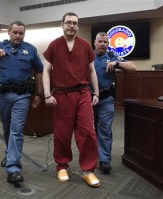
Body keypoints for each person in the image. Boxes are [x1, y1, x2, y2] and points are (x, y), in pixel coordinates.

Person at [0, 20, 44, 183]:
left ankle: (13, 168)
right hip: (3, 95)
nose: (18, 36)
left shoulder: (30, 49)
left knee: (17, 130)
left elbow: (39, 71)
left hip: (22, 96)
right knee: (7, 128)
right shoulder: (0, 46)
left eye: (21, 33)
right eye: (15, 32)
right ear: (9, 32)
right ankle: (9, 154)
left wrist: (39, 93)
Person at [42, 12, 100, 188]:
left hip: (82, 93)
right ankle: (62, 166)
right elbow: (46, 71)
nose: (72, 26)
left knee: (87, 133)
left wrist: (96, 93)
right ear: (62, 24)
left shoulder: (85, 46)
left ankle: (88, 170)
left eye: (75, 23)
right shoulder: (54, 45)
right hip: (62, 94)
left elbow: (92, 71)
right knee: (62, 133)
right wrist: (46, 94)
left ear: (78, 26)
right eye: (68, 23)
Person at [93, 32, 137, 174]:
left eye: (105, 42)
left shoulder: (112, 56)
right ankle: (91, 157)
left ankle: (104, 160)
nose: (102, 44)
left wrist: (117, 63)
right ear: (94, 42)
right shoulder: (88, 56)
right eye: (100, 41)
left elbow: (133, 68)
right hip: (89, 99)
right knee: (90, 130)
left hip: (106, 99)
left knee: (104, 130)